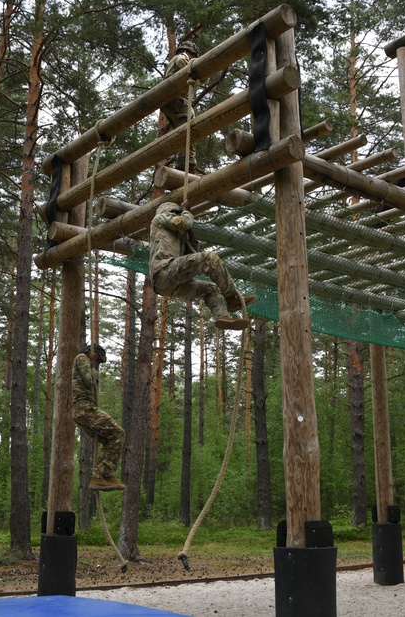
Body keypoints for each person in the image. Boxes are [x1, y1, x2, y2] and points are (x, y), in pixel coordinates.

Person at [150, 201, 254, 331]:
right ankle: (231, 297)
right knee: (209, 258)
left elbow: (191, 253)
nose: (177, 215)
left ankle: (223, 316)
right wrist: (186, 211)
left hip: (169, 285)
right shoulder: (159, 218)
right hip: (164, 270)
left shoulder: (176, 236)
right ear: (169, 212)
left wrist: (189, 232)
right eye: (175, 213)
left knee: (212, 288)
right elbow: (183, 222)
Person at [73, 343, 126, 491]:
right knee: (118, 433)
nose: (98, 365)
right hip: (84, 408)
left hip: (83, 410)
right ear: (94, 355)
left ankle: (104, 476)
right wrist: (94, 370)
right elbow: (89, 381)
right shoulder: (82, 358)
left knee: (110, 439)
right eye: (98, 361)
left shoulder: (86, 362)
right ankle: (100, 476)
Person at [160, 40, 200, 174]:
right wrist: (196, 74)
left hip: (169, 101)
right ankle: (186, 162)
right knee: (189, 125)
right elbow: (183, 63)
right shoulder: (183, 57)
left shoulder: (175, 61)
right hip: (177, 98)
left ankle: (183, 161)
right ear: (191, 53)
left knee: (181, 130)